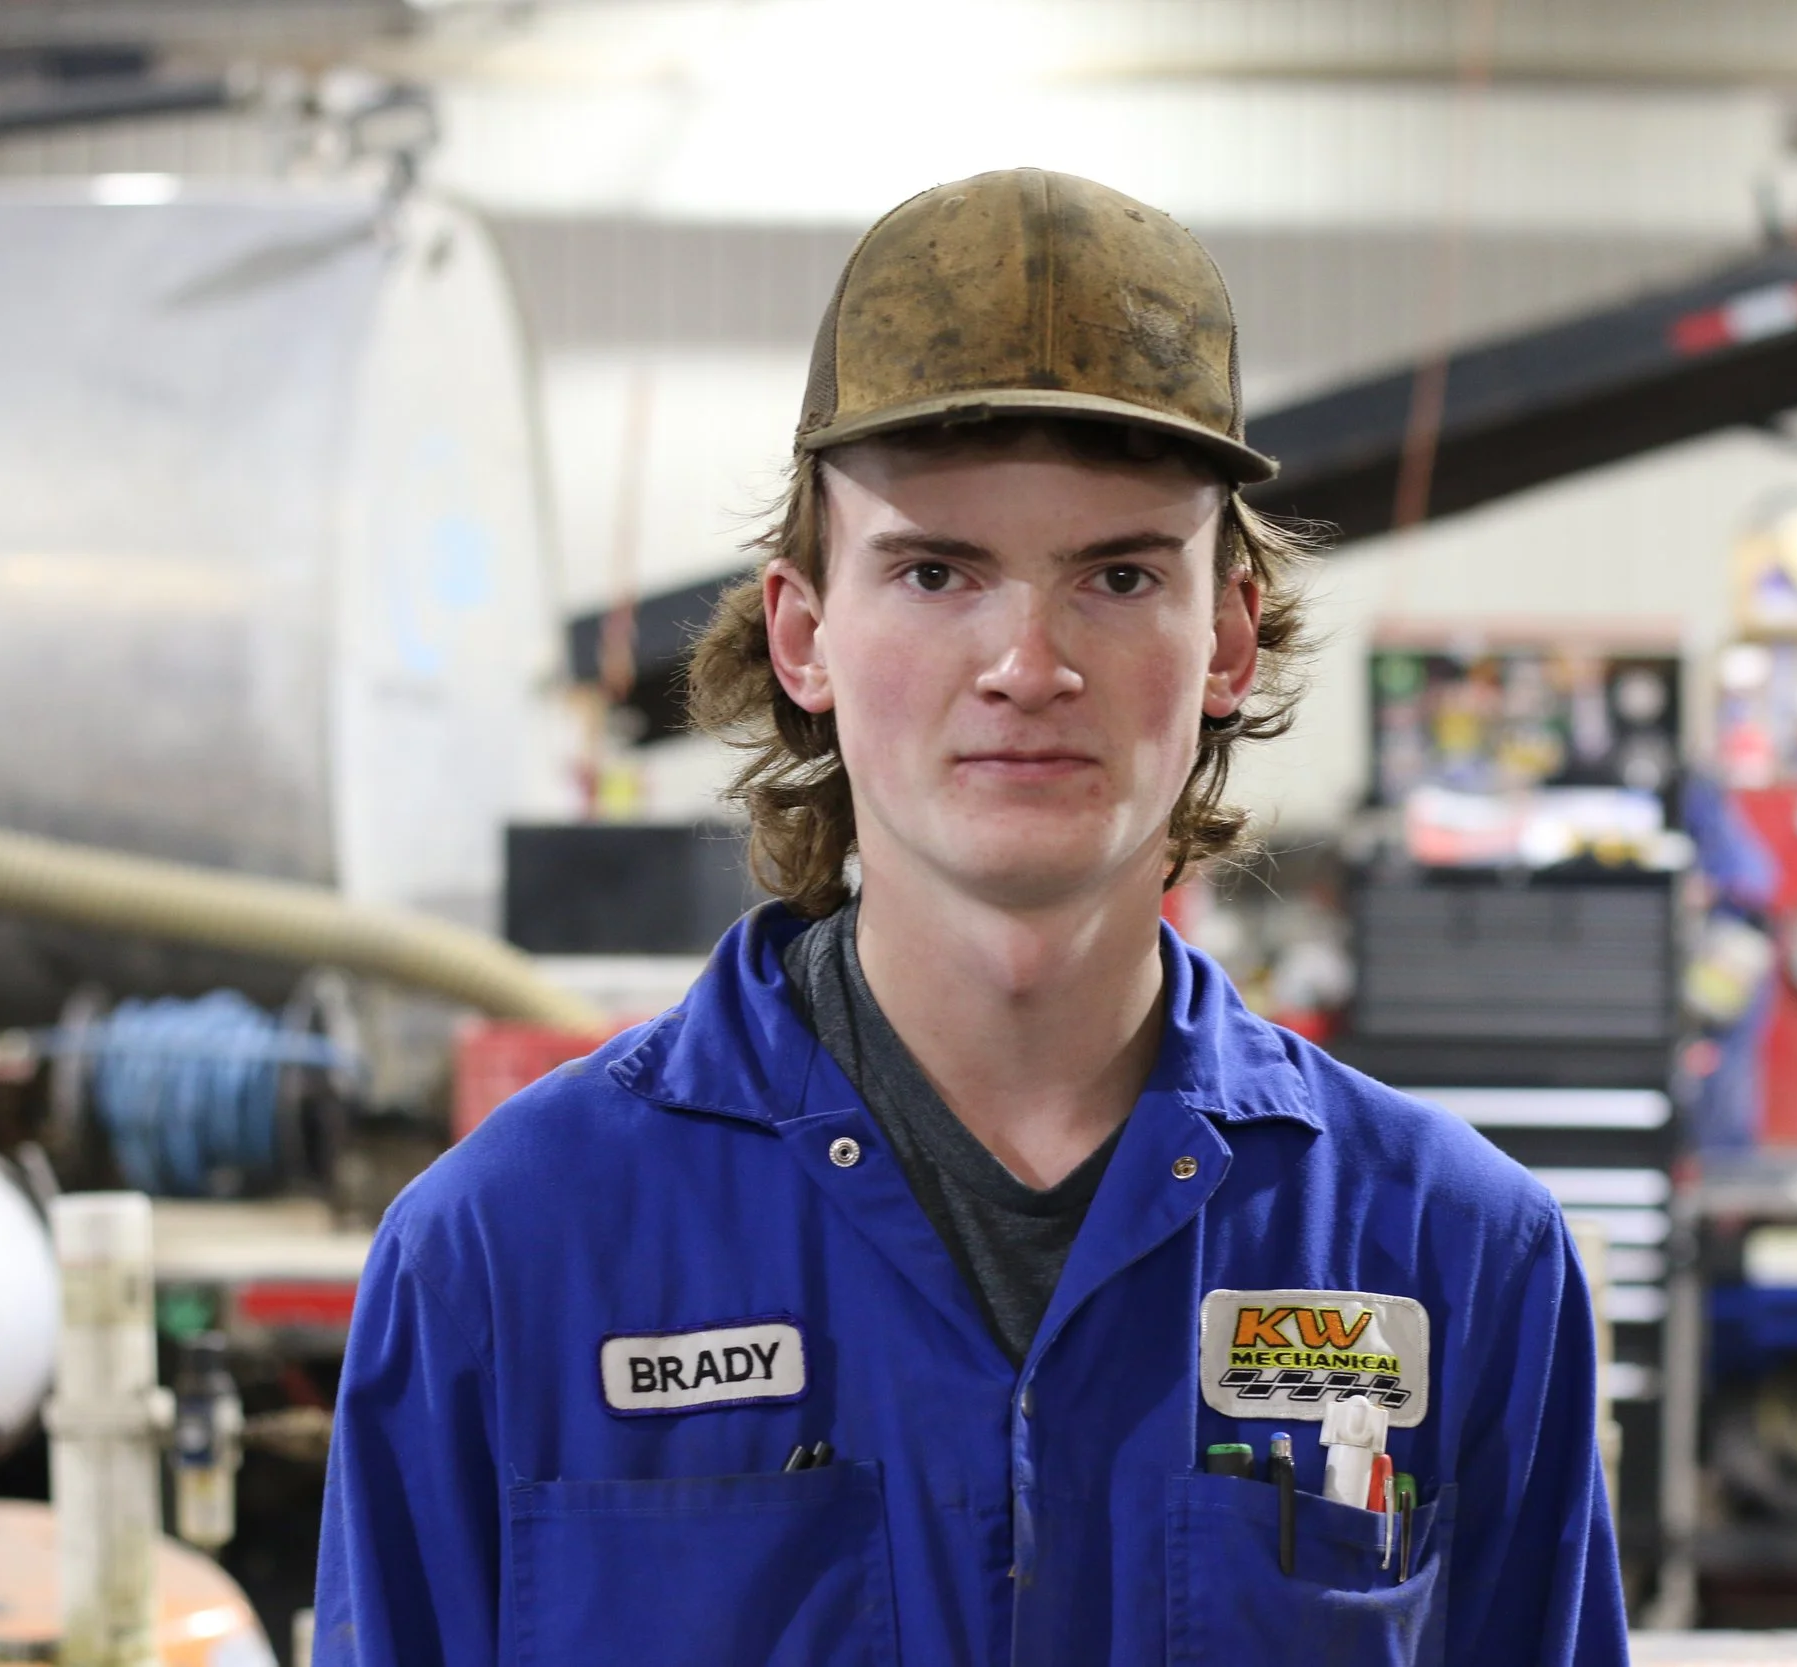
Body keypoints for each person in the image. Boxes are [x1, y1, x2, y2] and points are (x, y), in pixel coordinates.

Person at [316, 167, 1627, 1666]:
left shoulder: (1452, 1259)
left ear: (1227, 637)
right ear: (804, 632)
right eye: (937, 570)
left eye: (1120, 574)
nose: (1027, 661)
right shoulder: (508, 1259)